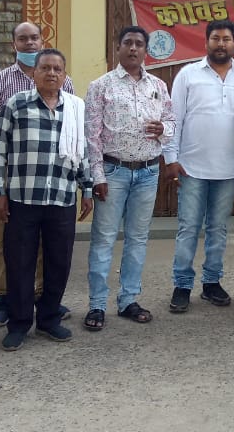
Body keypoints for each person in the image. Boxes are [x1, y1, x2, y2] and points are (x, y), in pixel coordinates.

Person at [0, 49, 93, 351]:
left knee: (59, 262)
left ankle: (48, 319)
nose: (51, 73)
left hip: (62, 198)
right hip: (23, 198)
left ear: (64, 75)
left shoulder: (74, 107)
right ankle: (19, 323)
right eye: (45, 68)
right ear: (34, 73)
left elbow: (82, 152)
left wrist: (86, 189)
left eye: (57, 69)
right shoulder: (16, 104)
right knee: (19, 262)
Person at [0, 22, 76, 328]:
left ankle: (43, 298)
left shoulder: (66, 82)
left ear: (42, 41)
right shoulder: (0, 82)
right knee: (4, 241)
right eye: (23, 39)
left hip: (52, 176)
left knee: (48, 244)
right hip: (11, 176)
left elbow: (72, 132)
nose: (30, 43)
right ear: (14, 44)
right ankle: (2, 297)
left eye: (34, 38)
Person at [84, 26, 175, 330]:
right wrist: (97, 175)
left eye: (139, 44)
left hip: (148, 172)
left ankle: (128, 300)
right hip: (113, 172)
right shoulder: (101, 86)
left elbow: (172, 123)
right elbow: (92, 136)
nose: (133, 48)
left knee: (137, 239)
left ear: (146, 50)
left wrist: (164, 130)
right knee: (104, 240)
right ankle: (97, 304)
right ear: (118, 47)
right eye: (128, 43)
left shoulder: (158, 86)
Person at [163, 20, 234, 312]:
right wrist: (171, 158)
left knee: (218, 228)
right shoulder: (188, 75)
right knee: (188, 227)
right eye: (216, 38)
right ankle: (182, 285)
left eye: (226, 39)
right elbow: (174, 118)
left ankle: (212, 282)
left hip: (229, 169)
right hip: (191, 168)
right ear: (206, 42)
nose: (221, 44)